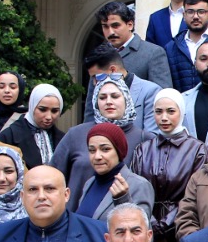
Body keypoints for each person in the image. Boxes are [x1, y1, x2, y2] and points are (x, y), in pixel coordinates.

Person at [126, 88, 208, 242]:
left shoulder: (197, 149)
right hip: (146, 230)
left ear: (181, 112)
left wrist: (164, 225)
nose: (164, 117)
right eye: (158, 112)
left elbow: (196, 194)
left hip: (182, 229)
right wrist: (151, 223)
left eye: (171, 111)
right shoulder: (142, 149)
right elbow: (135, 190)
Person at [54, 73, 146, 203]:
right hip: (77, 212)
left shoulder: (144, 138)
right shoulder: (75, 134)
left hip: (125, 211)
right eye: (102, 97)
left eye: (115, 96)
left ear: (126, 99)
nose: (109, 102)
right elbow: (53, 175)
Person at [74, 123, 155, 223]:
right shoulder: (89, 183)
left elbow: (143, 229)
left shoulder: (139, 185)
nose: (97, 156)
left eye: (105, 149)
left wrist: (123, 200)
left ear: (119, 151)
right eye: (92, 150)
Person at [81, 46, 160, 133]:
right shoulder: (96, 90)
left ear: (113, 70)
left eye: (96, 77)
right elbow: (88, 124)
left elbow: (152, 136)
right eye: (103, 98)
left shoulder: (150, 91)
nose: (94, 83)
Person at [96, 1, 171, 88]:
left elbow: (162, 93)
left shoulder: (153, 53)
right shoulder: (99, 54)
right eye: (105, 26)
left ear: (130, 25)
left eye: (115, 25)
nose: (110, 32)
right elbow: (93, 93)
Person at [0, 84, 65, 170]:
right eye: (42, 109)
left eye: (54, 111)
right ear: (32, 107)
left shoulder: (63, 139)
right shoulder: (9, 136)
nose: (49, 116)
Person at [0, 71, 27, 136]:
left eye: (13, 87)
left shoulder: (28, 118)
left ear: (20, 90)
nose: (7, 91)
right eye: (1, 87)